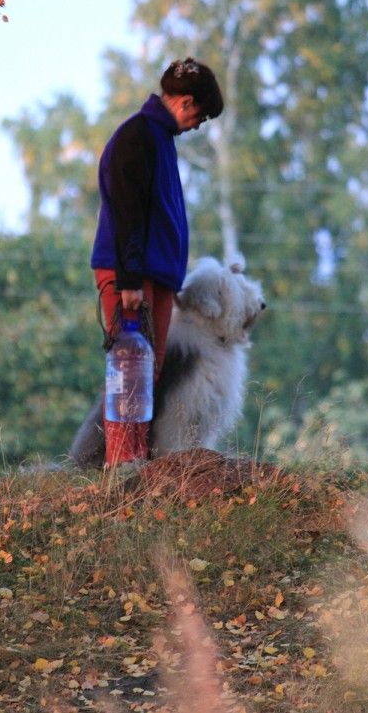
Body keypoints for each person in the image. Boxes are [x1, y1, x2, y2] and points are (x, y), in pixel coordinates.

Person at [90, 57, 224, 475]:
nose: (199, 124)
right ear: (184, 102)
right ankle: (121, 466)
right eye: (200, 115)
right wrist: (129, 280)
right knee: (130, 370)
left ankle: (138, 463)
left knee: (148, 372)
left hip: (156, 276)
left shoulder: (160, 139)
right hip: (131, 276)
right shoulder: (138, 136)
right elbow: (128, 211)